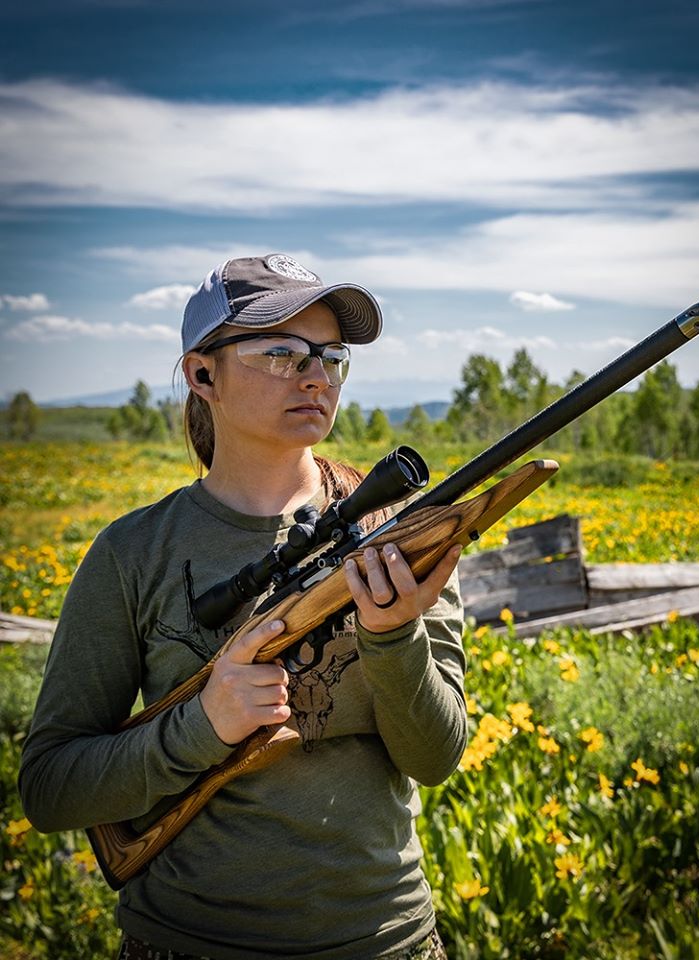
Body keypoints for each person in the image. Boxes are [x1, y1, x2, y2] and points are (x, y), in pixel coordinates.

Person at [19, 254, 467, 960]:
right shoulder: (132, 553)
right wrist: (202, 727)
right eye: (282, 352)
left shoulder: (396, 539)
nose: (316, 375)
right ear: (203, 375)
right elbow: (50, 788)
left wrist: (394, 634)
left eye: (330, 357)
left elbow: (435, 757)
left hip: (385, 940)